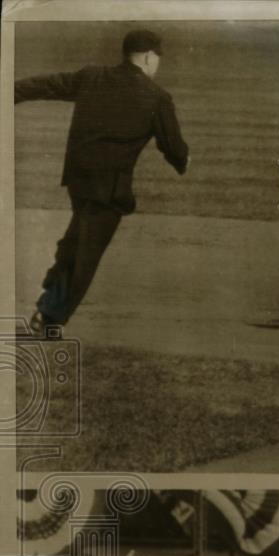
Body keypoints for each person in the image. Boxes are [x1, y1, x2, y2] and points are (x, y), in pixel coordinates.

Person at [15, 29, 189, 333]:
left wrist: (11, 92)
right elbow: (173, 147)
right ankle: (51, 317)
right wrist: (183, 160)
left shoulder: (92, 77)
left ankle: (48, 304)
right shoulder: (157, 97)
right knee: (85, 254)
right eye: (157, 58)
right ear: (149, 57)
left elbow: (47, 85)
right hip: (109, 188)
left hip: (78, 180)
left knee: (75, 242)